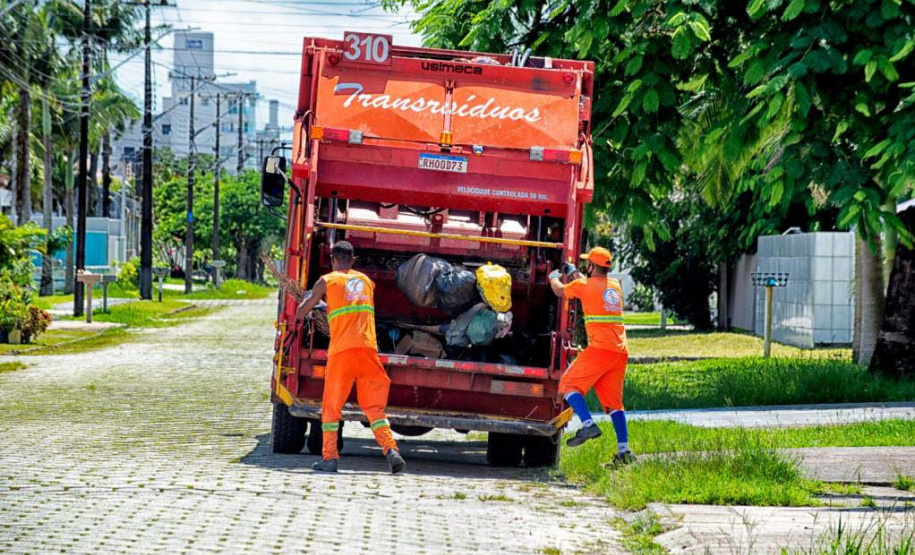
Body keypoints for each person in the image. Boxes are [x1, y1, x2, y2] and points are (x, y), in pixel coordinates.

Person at [295, 240, 406, 474]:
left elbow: (301, 312)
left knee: (331, 407)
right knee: (374, 408)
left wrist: (310, 301)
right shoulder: (366, 282)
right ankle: (390, 450)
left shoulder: (326, 281)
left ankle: (330, 458)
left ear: (332, 260)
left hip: (342, 352)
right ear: (353, 260)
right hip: (368, 349)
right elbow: (350, 302)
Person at [548, 247, 634, 465]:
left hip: (600, 349)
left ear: (592, 266)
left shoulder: (583, 286)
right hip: (619, 351)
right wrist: (574, 271)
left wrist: (553, 276)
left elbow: (559, 291)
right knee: (615, 405)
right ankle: (624, 452)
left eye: (588, 263)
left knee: (568, 385)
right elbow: (590, 284)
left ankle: (588, 425)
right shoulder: (614, 286)